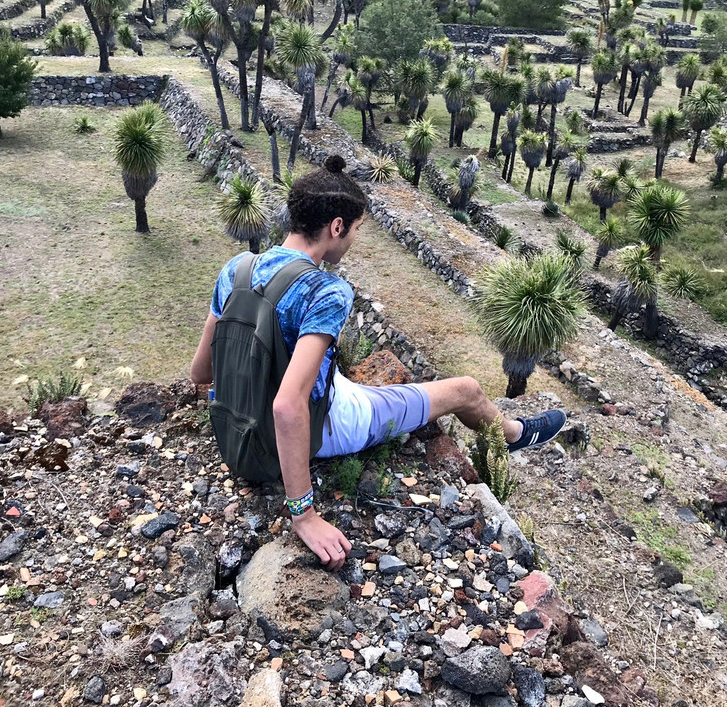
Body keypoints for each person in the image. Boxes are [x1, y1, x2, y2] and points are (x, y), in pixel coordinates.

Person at [191, 155, 567, 570]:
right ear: (336, 227)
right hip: (321, 424)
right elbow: (286, 405)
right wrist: (304, 514)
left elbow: (201, 373)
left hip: (237, 425)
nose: (352, 240)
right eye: (355, 231)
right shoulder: (325, 290)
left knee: (365, 386)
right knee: (465, 390)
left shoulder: (236, 269)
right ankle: (513, 435)